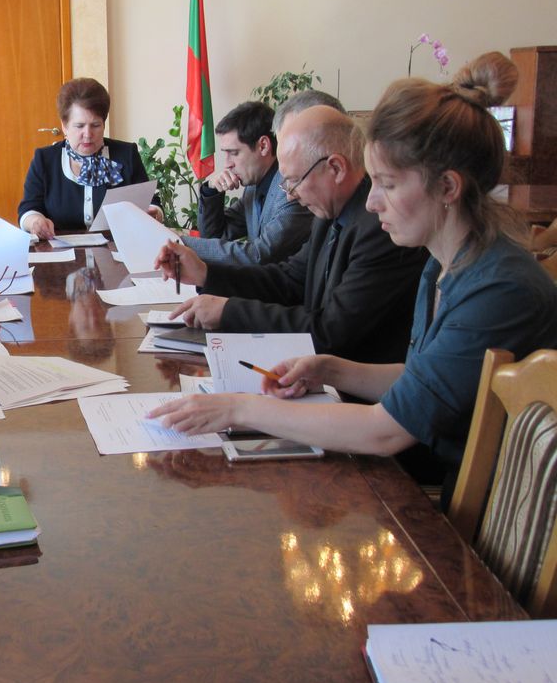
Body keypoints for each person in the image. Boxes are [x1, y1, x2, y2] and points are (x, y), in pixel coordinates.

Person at [150, 52, 557, 507]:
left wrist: (238, 407)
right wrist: (330, 369)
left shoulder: (498, 288)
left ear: (447, 187)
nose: (372, 201)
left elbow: (386, 432)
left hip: (480, 510)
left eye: (388, 184)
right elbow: (419, 377)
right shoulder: (442, 263)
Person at [156, 105, 427, 364]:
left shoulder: (380, 229)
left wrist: (229, 311)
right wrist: (206, 273)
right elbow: (288, 280)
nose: (289, 194)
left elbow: (331, 332)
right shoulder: (329, 213)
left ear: (335, 168)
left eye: (294, 180)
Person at [18, 77, 158, 238]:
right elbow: (28, 209)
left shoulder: (126, 154)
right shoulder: (45, 159)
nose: (88, 134)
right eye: (79, 126)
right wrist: (35, 221)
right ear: (64, 126)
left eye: (95, 125)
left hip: (116, 248)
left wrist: (153, 213)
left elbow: (152, 202)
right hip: (60, 249)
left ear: (104, 124)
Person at [181, 101, 313, 267]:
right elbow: (214, 236)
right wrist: (211, 191)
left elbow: (260, 255)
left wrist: (182, 243)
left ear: (263, 146)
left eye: (234, 153)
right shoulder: (253, 187)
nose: (227, 164)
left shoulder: (290, 189)